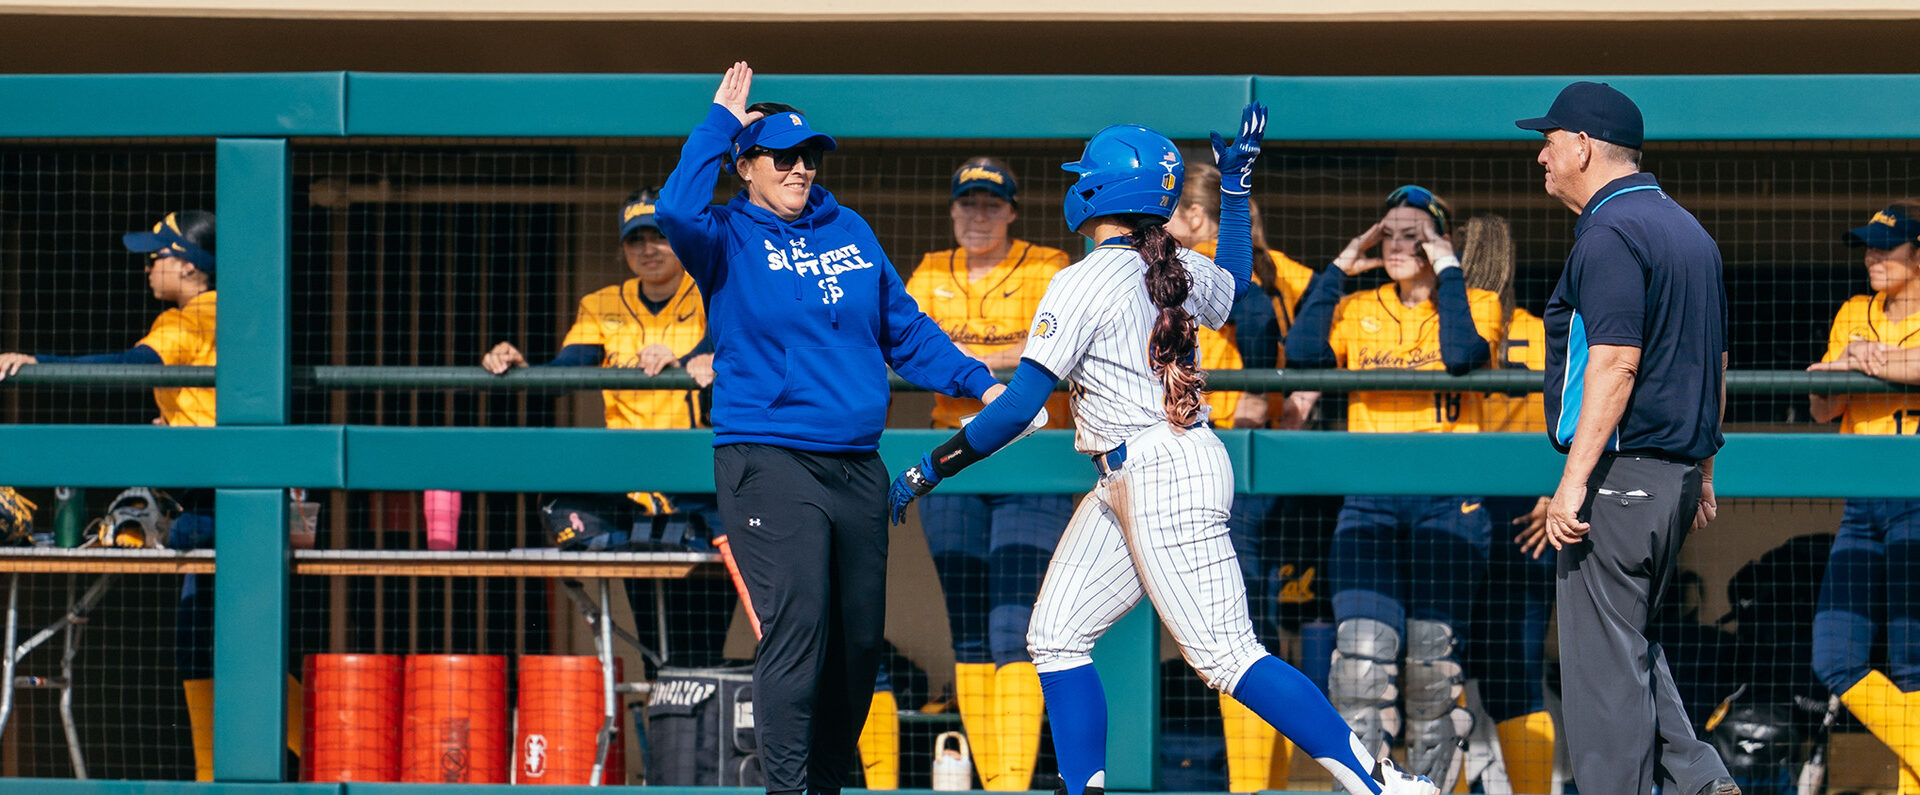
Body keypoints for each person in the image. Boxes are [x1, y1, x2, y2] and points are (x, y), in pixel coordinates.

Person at [888, 103, 1437, 795]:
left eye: (1086, 174)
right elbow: (1233, 285)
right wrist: (1234, 196)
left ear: (1101, 190)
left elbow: (1021, 409)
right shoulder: (1170, 261)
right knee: (1055, 635)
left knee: (1228, 655)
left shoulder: (1083, 278)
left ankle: (1379, 781)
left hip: (1159, 469)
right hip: (1138, 471)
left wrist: (925, 468)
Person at [654, 62, 1005, 795]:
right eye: (783, 156)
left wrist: (982, 384)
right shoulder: (724, 234)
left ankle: (820, 784)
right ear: (745, 166)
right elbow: (675, 212)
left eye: (810, 155)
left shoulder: (849, 228)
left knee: (855, 646)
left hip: (855, 465)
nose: (801, 168)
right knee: (799, 627)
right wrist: (719, 126)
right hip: (769, 456)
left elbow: (904, 330)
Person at [1516, 81, 1736, 795]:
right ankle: (1703, 782)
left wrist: (1572, 483)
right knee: (1629, 646)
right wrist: (1702, 470)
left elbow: (1616, 361)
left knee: (1601, 676)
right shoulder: (1687, 229)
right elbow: (1714, 358)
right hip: (1669, 478)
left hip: (1622, 475)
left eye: (1548, 142)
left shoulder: (1611, 232)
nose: (1541, 159)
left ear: (1581, 145)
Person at [1284, 184, 1504, 788]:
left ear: (1441, 240)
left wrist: (1446, 266)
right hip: (1370, 499)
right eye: (1390, 233)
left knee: (1432, 674)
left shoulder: (1475, 301)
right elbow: (1302, 354)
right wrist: (1339, 266)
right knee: (1358, 669)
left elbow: (1460, 356)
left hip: (1449, 502)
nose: (1400, 245)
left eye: (1416, 233)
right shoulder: (1359, 306)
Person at [481, 188, 734, 674]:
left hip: (702, 490)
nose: (647, 248)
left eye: (658, 236)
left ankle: (698, 740)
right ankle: (669, 740)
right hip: (635, 491)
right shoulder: (601, 305)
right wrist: (520, 368)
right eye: (635, 239)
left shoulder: (710, 290)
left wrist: (684, 360)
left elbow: (728, 345)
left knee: (701, 643)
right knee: (657, 652)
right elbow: (566, 373)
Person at [903, 158, 1074, 792]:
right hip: (954, 456)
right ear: (952, 211)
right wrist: (1001, 356)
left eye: (991, 203)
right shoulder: (928, 271)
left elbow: (1051, 352)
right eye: (968, 203)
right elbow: (908, 349)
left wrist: (959, 355)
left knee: (1015, 623)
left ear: (1012, 210)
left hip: (1032, 455)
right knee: (968, 622)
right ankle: (994, 779)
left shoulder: (1049, 264)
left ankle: (1013, 783)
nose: (979, 215)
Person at [1162, 160, 1300, 793]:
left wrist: (1283, 395)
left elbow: (1310, 357)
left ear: (1195, 216)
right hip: (1209, 460)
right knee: (1245, 633)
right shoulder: (1171, 273)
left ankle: (1254, 785)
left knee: (1237, 636)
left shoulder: (1255, 275)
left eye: (1168, 212)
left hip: (1239, 465)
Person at [1805, 201, 1920, 794]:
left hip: (1917, 496)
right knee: (1835, 654)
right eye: (1869, 246)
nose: (1874, 256)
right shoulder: (1854, 310)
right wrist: (1854, 365)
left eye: (1889, 245)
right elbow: (1822, 402)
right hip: (1863, 503)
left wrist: (1866, 362)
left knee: (1914, 668)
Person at [1460, 214, 1559, 795]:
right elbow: (1575, 421)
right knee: (1514, 674)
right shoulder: (1545, 329)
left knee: (1441, 666)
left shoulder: (1449, 324)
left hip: (1460, 500)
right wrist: (1558, 490)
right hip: (1532, 504)